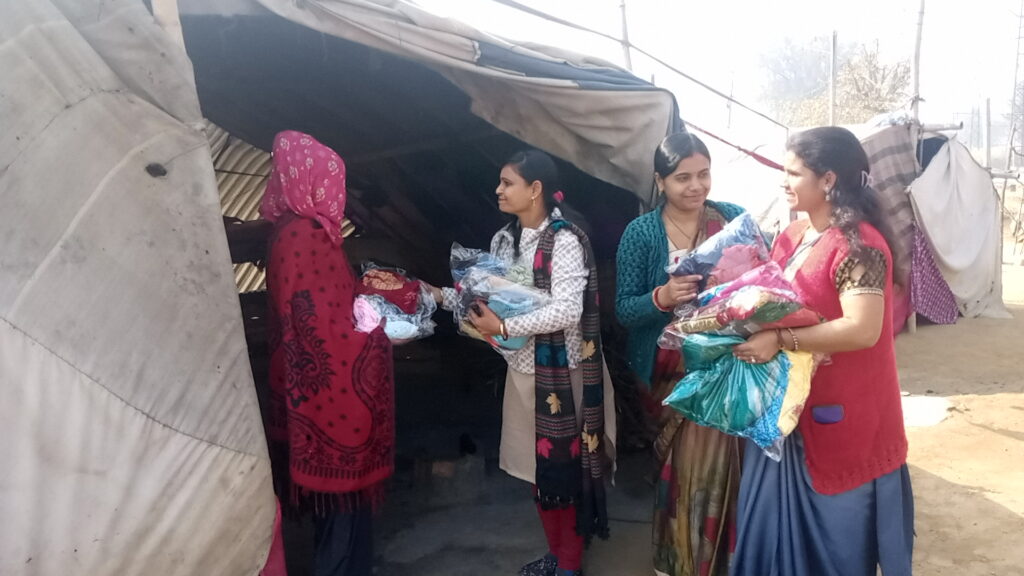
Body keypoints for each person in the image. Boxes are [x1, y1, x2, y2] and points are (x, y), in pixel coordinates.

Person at [730, 126, 914, 576]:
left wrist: (780, 339)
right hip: (788, 407)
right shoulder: (792, 235)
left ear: (828, 179)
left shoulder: (860, 246)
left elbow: (862, 329)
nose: (784, 181)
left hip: (842, 411)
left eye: (794, 173)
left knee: (837, 544)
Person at [427, 149, 616, 576]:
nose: (498, 190)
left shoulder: (566, 240)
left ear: (535, 190)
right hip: (525, 371)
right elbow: (493, 298)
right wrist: (439, 295)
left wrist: (504, 328)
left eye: (507, 182)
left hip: (566, 376)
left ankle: (569, 562)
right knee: (539, 471)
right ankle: (557, 552)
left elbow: (567, 309)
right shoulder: (503, 241)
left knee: (564, 470)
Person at [261, 130, 395, 576]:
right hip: (334, 401)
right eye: (331, 181)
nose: (335, 194)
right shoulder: (308, 235)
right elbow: (326, 331)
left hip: (303, 393)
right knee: (343, 523)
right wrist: (378, 330)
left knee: (330, 520)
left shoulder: (282, 233)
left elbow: (312, 308)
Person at [614, 132, 746, 576]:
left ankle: (724, 560)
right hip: (666, 374)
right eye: (682, 177)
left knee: (728, 470)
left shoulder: (732, 220)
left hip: (727, 367)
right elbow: (623, 311)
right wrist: (663, 296)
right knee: (684, 472)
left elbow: (763, 282)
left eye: (703, 174)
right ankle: (678, 561)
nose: (695, 186)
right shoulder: (641, 233)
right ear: (660, 181)